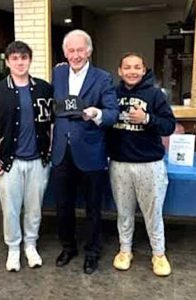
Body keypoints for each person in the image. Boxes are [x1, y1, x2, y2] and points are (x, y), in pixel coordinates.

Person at [0, 41, 53, 272]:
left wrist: (51, 151)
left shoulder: (44, 88)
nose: (20, 62)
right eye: (15, 58)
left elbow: (54, 123)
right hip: (8, 163)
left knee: (34, 207)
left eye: (24, 58)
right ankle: (13, 248)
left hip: (38, 161)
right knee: (10, 209)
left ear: (30, 60)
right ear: (8, 62)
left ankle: (30, 245)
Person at [51, 29, 119, 275]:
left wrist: (97, 113)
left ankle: (92, 252)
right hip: (61, 152)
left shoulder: (103, 78)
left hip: (91, 152)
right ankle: (68, 247)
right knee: (63, 205)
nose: (76, 55)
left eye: (80, 50)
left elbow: (113, 113)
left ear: (89, 51)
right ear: (65, 52)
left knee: (93, 208)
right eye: (71, 50)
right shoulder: (57, 73)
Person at [108, 52, 176, 276]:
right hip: (119, 164)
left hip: (150, 164)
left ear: (144, 69)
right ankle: (125, 250)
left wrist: (147, 119)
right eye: (127, 67)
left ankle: (159, 254)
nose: (132, 71)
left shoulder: (156, 95)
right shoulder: (112, 94)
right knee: (124, 212)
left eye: (137, 67)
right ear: (119, 71)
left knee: (152, 212)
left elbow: (169, 126)